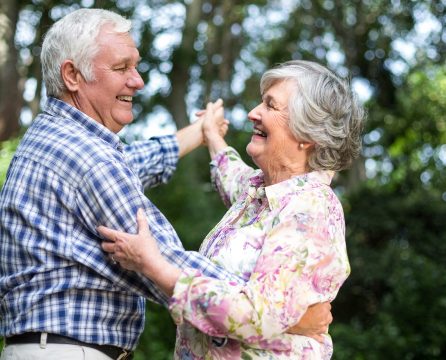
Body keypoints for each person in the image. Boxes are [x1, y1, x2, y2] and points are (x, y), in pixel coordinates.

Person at [0, 9, 330, 360]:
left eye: (135, 66)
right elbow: (164, 260)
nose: (138, 80)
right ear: (72, 75)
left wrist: (204, 136)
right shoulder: (87, 158)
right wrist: (280, 312)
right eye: (121, 68)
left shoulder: (59, 138)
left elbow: (132, 163)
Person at [99, 60, 364, 359]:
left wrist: (155, 268)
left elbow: (258, 316)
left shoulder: (309, 209)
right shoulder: (260, 193)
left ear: (307, 135)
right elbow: (231, 174)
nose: (253, 113)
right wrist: (211, 135)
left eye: (270, 105)